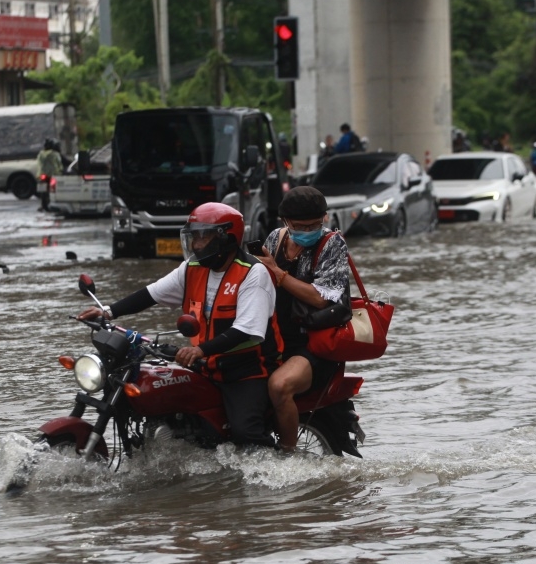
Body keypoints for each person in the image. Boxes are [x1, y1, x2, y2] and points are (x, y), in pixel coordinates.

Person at [77, 203, 281, 448]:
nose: (196, 244)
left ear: (225, 238)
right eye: (194, 237)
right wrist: (108, 312)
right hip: (204, 366)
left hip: (247, 370)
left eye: (203, 237)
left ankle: (278, 464)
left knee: (244, 431)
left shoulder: (253, 273)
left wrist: (199, 350)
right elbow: (151, 294)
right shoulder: (191, 269)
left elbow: (246, 330)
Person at [253, 186, 351, 453]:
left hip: (313, 344)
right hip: (273, 338)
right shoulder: (275, 239)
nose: (307, 231)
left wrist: (279, 274)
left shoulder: (332, 243)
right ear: (285, 221)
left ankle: (289, 456)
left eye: (314, 225)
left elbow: (322, 298)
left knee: (280, 386)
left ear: (324, 218)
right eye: (299, 226)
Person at [35, 138, 63, 211]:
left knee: (43, 191)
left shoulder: (40, 154)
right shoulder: (55, 154)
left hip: (41, 174)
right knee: (55, 189)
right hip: (53, 174)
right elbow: (60, 164)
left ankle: (43, 205)